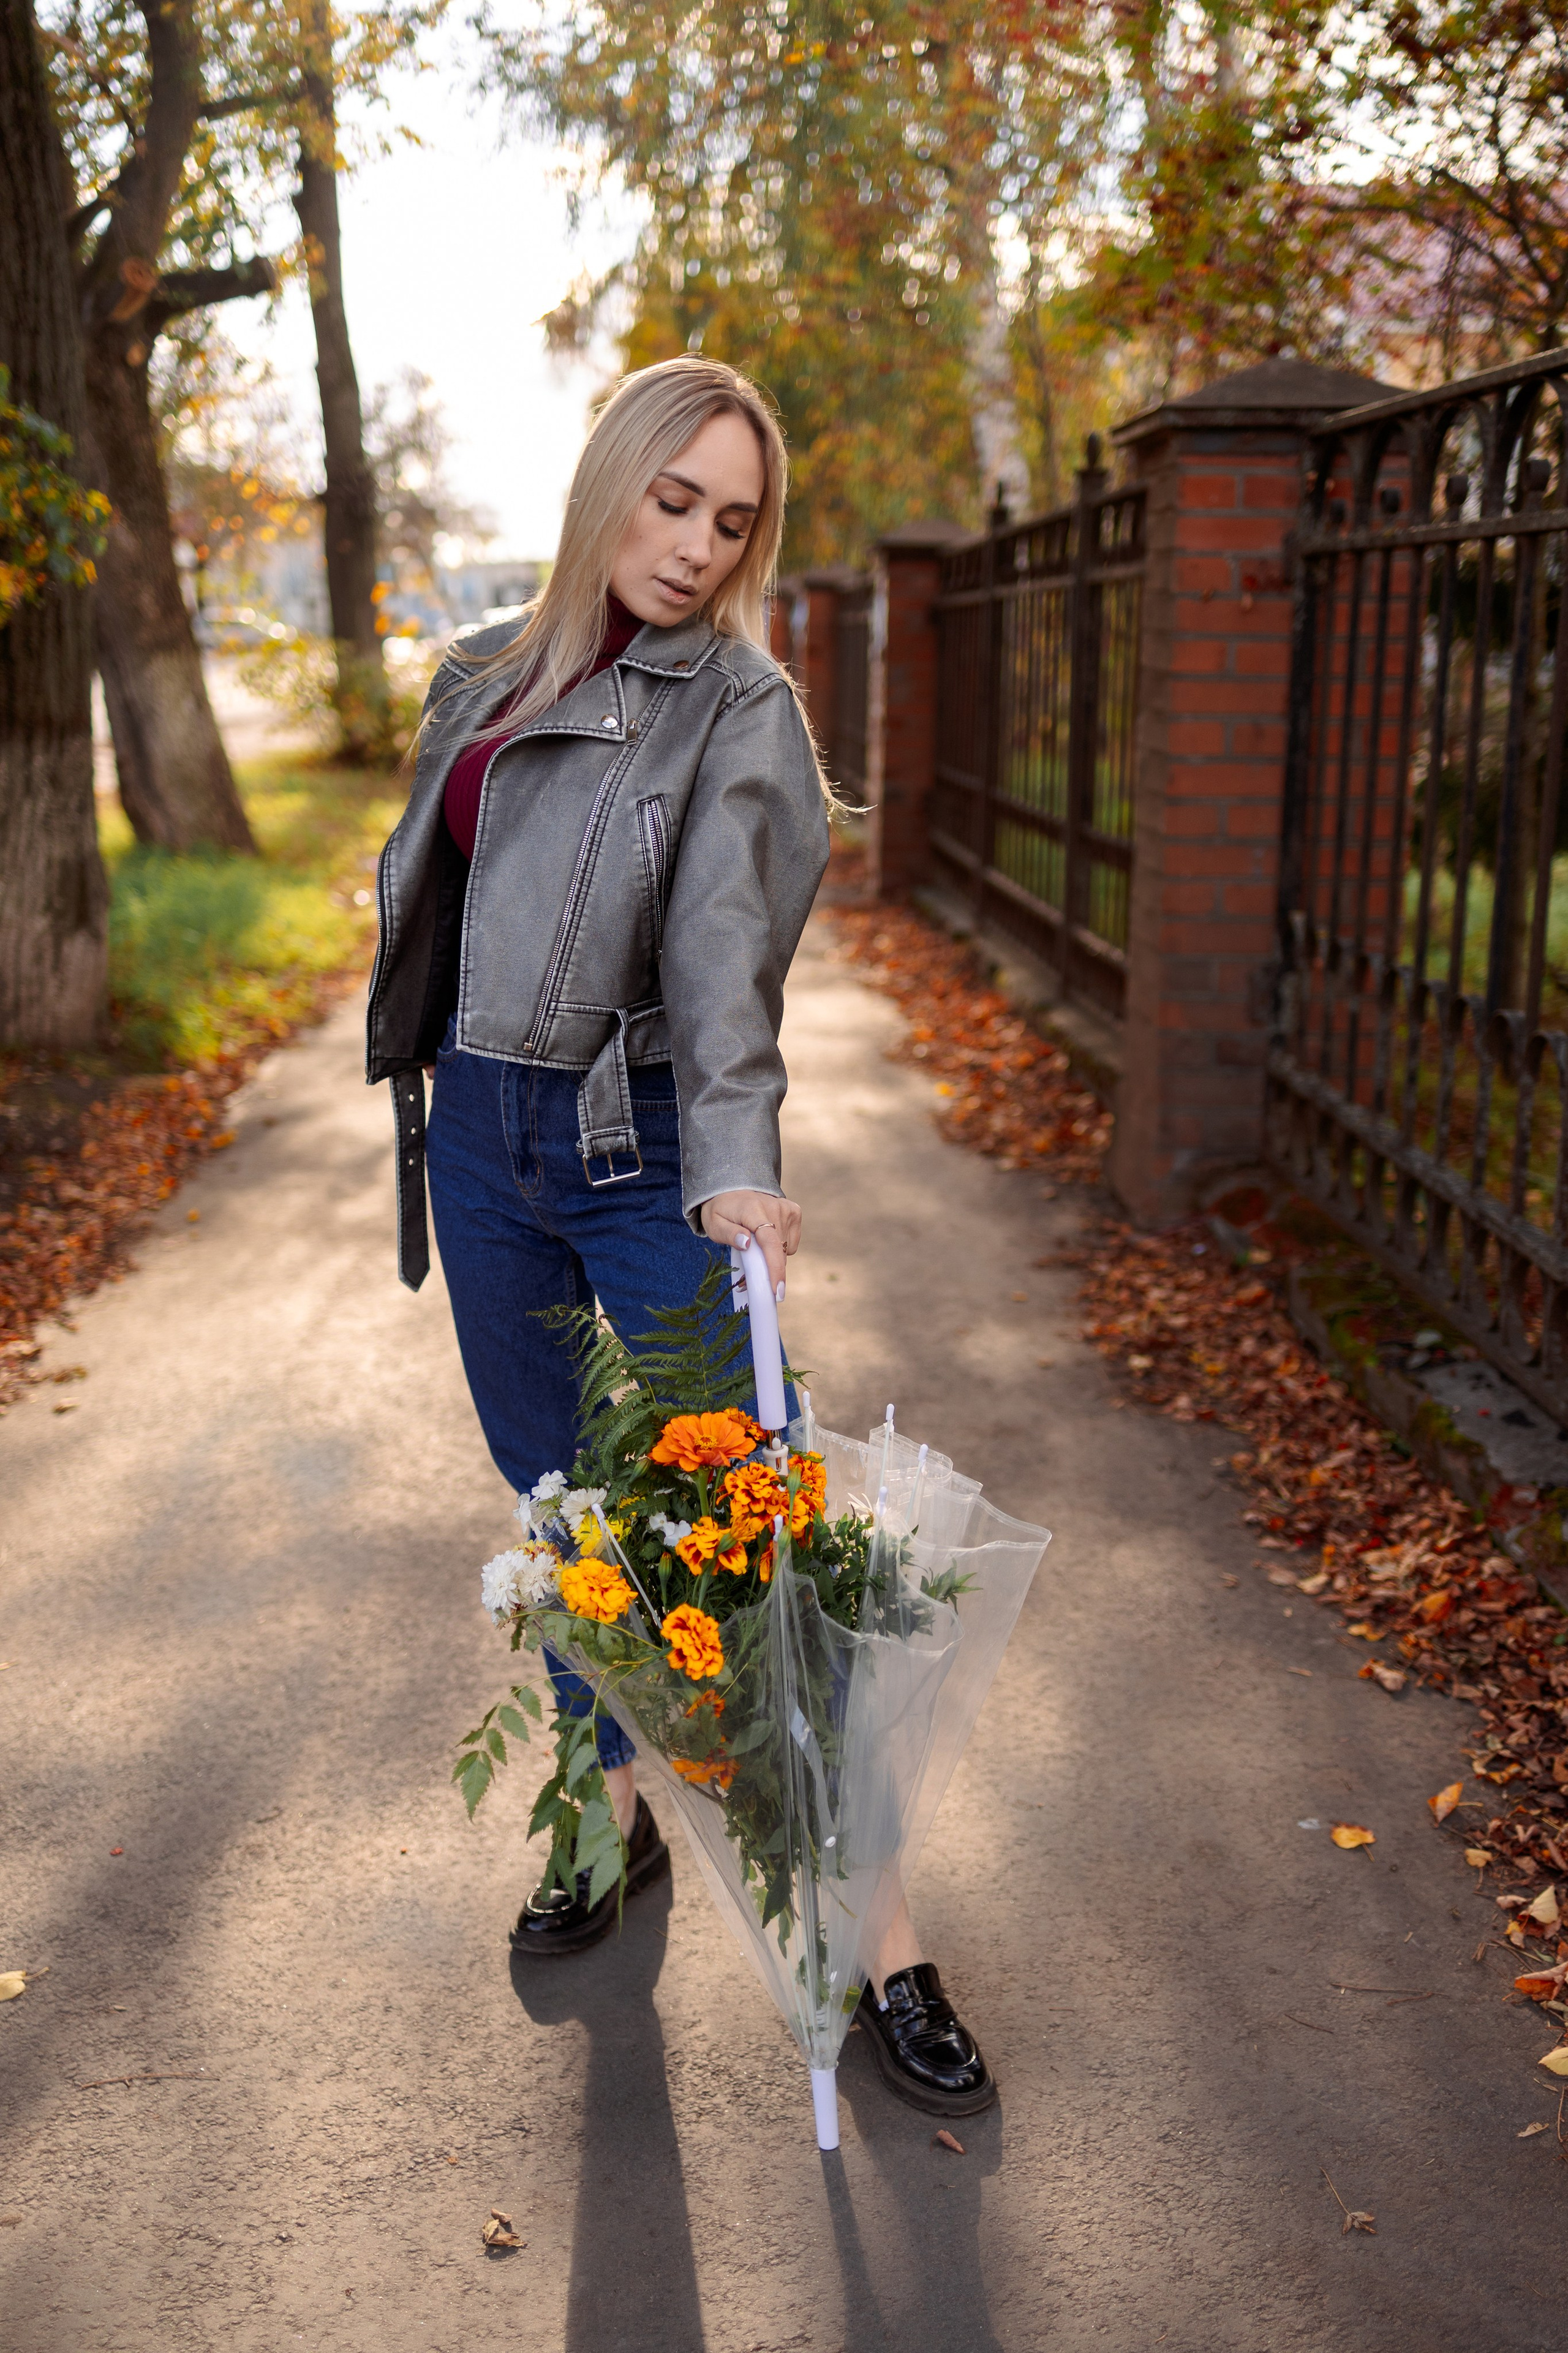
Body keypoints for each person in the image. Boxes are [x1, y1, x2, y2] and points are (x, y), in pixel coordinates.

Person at [366, 355, 995, 2119]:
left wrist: (740, 1155)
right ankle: (607, 1820)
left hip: (646, 1150)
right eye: (675, 501)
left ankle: (885, 1944)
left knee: (756, 1537)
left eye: (734, 520)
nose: (700, 545)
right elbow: (440, 902)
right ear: (610, 483)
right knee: (567, 1513)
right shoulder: (478, 672)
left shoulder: (742, 709)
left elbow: (726, 951)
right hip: (483, 1147)